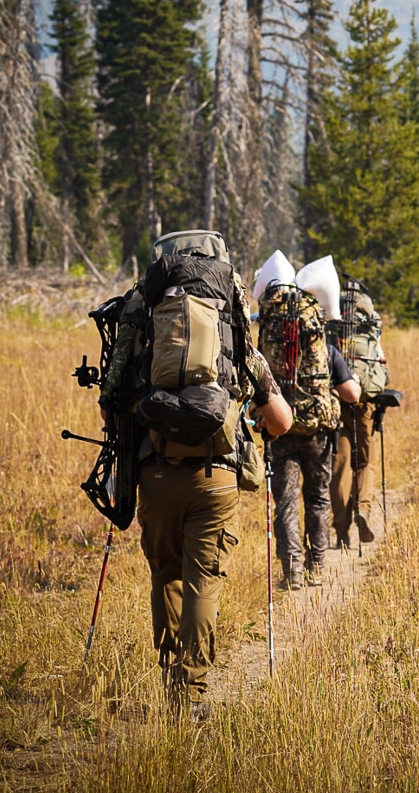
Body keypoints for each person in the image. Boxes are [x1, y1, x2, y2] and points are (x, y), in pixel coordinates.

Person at [98, 230, 292, 719]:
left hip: (155, 473)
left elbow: (113, 394)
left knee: (165, 572)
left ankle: (169, 678)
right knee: (203, 578)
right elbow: (282, 422)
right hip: (215, 475)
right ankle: (192, 691)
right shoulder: (231, 332)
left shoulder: (143, 320)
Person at [270, 343, 360, 589]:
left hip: (281, 433)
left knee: (286, 503)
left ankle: (292, 572)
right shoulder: (326, 351)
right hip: (318, 436)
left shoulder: (271, 348)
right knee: (318, 499)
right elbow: (351, 394)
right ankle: (316, 568)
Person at [331, 395, 376, 549]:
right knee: (365, 464)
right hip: (363, 409)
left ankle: (342, 532)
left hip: (337, 409)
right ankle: (362, 509)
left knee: (339, 468)